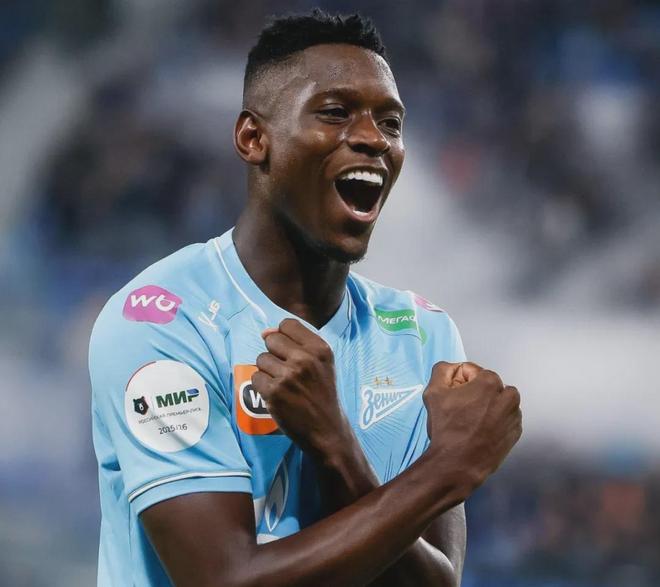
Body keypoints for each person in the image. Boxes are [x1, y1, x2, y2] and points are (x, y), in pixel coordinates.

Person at [89, 9, 522, 587]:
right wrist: (448, 468)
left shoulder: (421, 337)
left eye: (391, 123)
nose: (373, 138)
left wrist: (336, 447)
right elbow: (220, 579)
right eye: (336, 112)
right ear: (254, 138)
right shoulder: (163, 321)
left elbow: (433, 584)